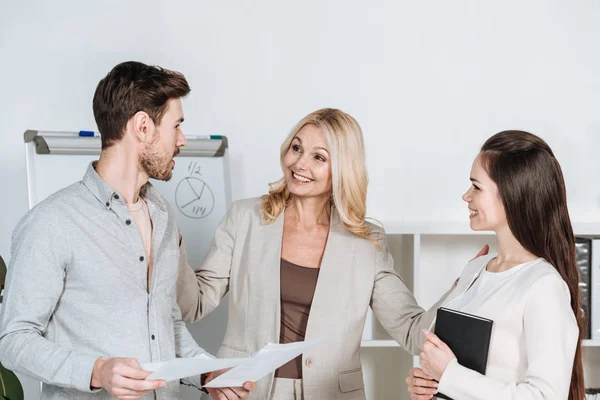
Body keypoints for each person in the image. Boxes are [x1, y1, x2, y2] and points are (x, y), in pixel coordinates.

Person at [0, 61, 254, 400]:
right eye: (176, 126)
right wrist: (95, 371)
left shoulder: (162, 215)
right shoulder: (51, 223)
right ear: (143, 126)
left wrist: (208, 370)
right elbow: (14, 340)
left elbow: (168, 323)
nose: (182, 140)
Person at [176, 108, 454, 399]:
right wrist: (172, 244)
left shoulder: (367, 243)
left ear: (343, 168)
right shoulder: (245, 218)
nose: (299, 163)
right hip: (245, 391)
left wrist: (468, 283)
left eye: (318, 157)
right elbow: (194, 305)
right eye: (296, 148)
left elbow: (412, 333)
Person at [405, 130, 584, 400]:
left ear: (513, 195)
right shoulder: (475, 269)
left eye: (476, 187)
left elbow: (545, 396)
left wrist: (449, 375)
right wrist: (431, 385)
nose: (466, 196)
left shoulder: (544, 286)